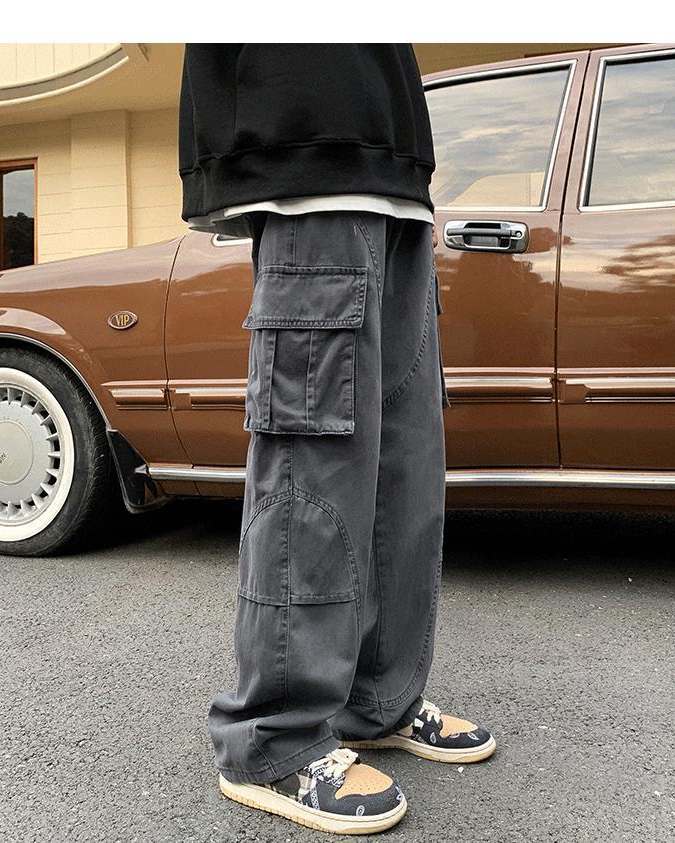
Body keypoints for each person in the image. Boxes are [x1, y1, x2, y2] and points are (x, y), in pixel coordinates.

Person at [178, 43, 495, 835]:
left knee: (402, 470)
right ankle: (272, 737)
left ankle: (379, 699)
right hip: (306, 156)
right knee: (312, 470)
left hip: (396, 180)